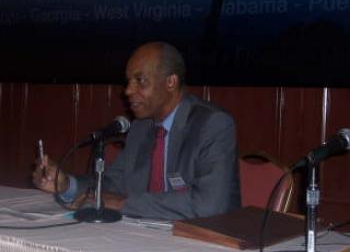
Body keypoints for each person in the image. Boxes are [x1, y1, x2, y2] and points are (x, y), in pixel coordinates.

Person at [33, 41, 241, 220]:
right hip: (149, 236)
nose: (128, 91)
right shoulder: (142, 127)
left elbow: (209, 205)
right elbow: (114, 183)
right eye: (128, 82)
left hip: (206, 242)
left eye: (140, 81)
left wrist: (125, 204)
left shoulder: (212, 124)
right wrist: (66, 184)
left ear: (170, 82)